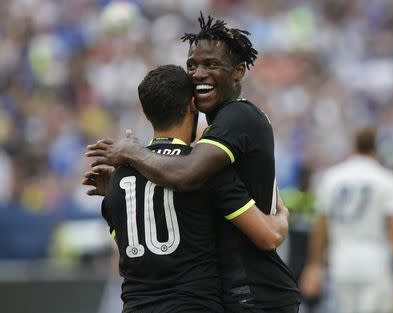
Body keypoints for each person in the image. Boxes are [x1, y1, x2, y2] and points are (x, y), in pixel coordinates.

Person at [86, 13, 301, 313]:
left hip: (252, 293)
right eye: (192, 65)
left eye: (211, 64)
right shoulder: (206, 145)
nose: (198, 73)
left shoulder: (236, 118)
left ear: (239, 71)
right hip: (230, 294)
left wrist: (130, 157)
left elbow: (187, 173)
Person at [299, 127, 393, 313]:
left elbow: (320, 227)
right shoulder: (388, 180)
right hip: (375, 257)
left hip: (341, 258)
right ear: (376, 148)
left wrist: (314, 265)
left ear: (353, 146)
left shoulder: (331, 178)